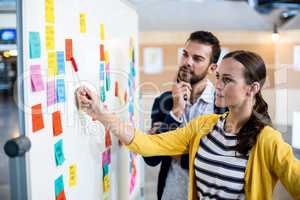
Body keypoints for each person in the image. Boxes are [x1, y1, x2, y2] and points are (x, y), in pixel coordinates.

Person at [76, 50, 300, 200]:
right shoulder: (204, 126)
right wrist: (100, 112)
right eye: (219, 77)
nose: (218, 85)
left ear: (252, 89)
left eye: (228, 80)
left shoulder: (267, 140)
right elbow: (147, 144)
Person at [144, 31, 227, 200]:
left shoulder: (224, 105)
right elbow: (151, 158)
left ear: (212, 68)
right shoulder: (164, 101)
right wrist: (175, 112)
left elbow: (220, 162)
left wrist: (173, 150)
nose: (187, 62)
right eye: (185, 54)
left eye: (197, 59)